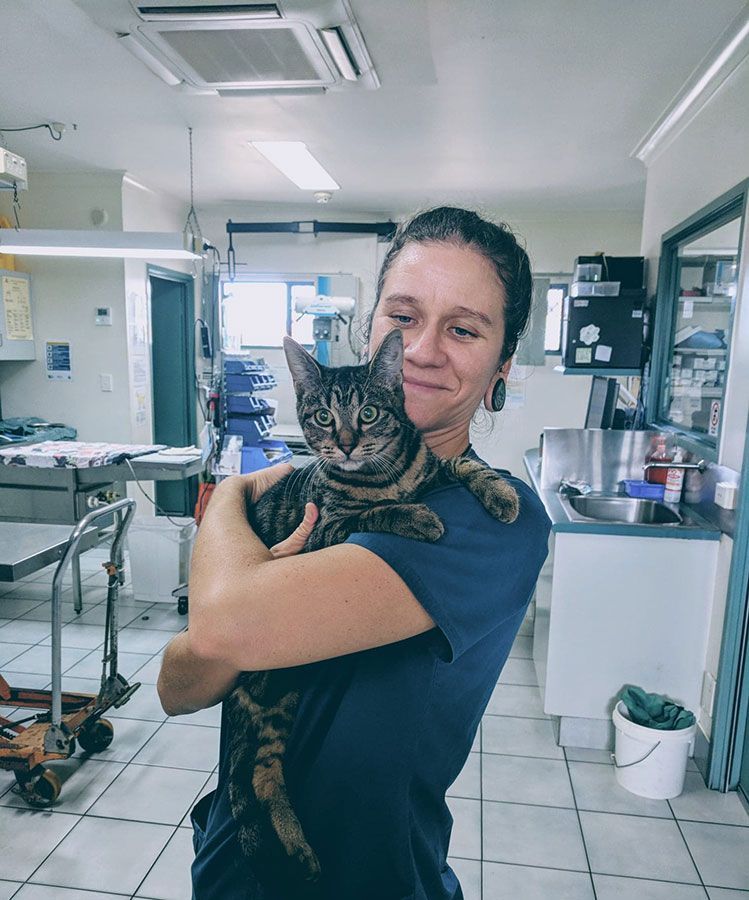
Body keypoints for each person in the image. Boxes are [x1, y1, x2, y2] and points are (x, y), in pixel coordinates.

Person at [157, 206, 552, 899]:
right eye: (402, 316)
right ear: (372, 334)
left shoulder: (494, 524)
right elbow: (176, 686)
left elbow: (217, 630)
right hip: (230, 866)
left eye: (462, 329)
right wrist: (227, 619)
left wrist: (223, 505)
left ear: (501, 365)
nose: (423, 349)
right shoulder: (310, 485)